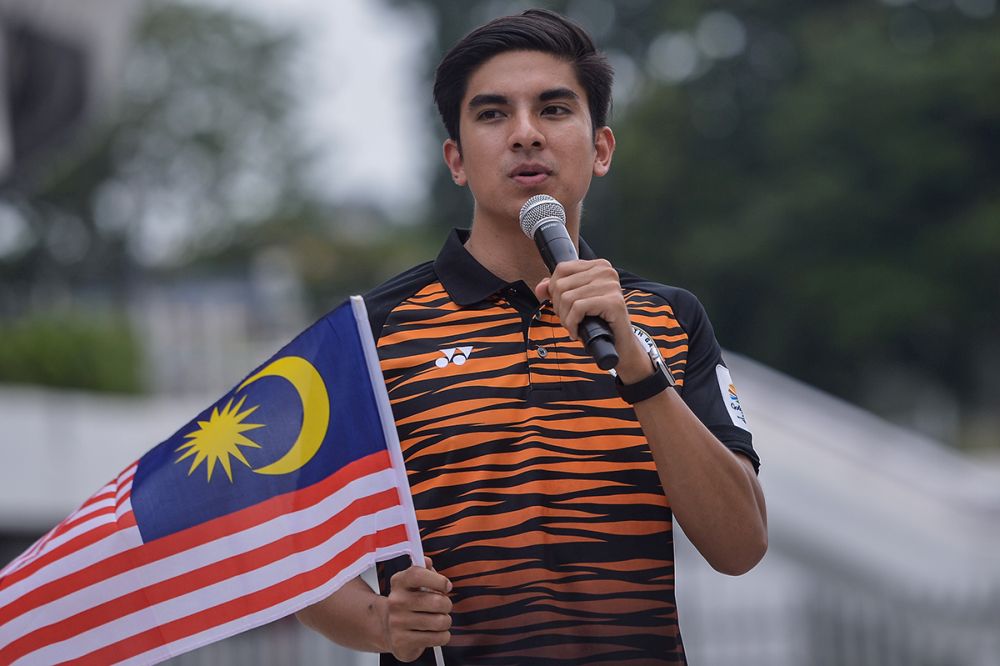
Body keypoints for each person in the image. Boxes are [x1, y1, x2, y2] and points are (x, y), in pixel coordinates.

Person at [297, 8, 767, 664]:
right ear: (456, 160)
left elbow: (740, 546)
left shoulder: (669, 318)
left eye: (553, 109)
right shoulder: (370, 333)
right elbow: (282, 540)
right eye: (492, 114)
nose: (524, 135)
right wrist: (380, 622)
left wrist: (638, 365)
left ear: (600, 148)